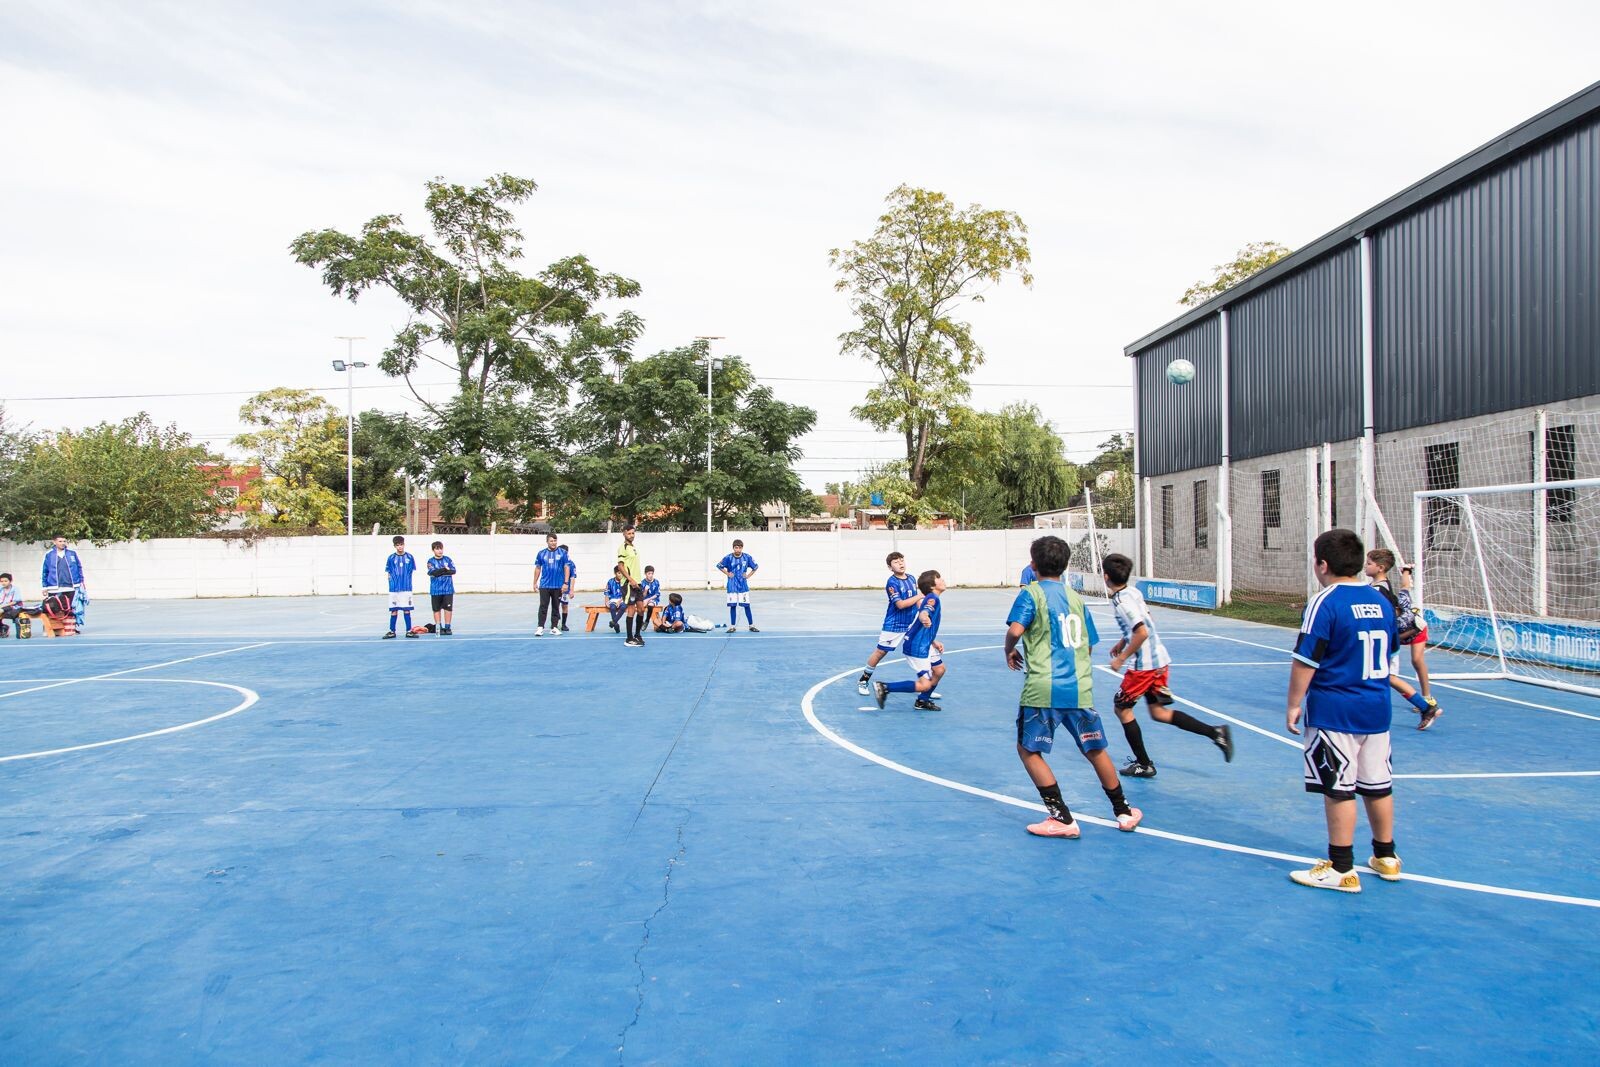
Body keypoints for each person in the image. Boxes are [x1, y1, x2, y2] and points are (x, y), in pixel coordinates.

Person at [1287, 528, 1402, 893]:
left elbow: (1306, 659)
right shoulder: (1382, 601)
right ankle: (1386, 856)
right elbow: (1392, 651)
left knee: (1338, 787)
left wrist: (1293, 704)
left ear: (1322, 564)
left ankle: (1340, 867)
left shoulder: (1326, 602)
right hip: (1377, 707)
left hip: (1335, 709)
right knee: (1377, 785)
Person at [1005, 535, 1142, 838]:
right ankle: (1123, 811)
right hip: (1079, 688)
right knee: (1095, 749)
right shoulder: (1077, 599)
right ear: (1065, 566)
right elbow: (1089, 645)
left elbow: (1015, 629)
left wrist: (1009, 649)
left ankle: (1061, 817)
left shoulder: (1032, 594)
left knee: (1028, 750)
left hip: (1043, 689)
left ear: (1033, 564)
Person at [1101, 552, 1233, 777]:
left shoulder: (1122, 602)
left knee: (1122, 709)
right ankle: (1215, 732)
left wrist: (1121, 658)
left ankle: (1144, 764)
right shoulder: (1133, 592)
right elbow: (1146, 620)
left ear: (1105, 577)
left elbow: (1141, 632)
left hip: (1144, 666)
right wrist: (1123, 641)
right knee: (1159, 712)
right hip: (1160, 660)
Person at [1364, 549, 1442, 730]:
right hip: (1392, 637)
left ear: (1380, 567)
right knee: (1382, 676)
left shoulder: (1379, 592)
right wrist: (1406, 571)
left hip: (1405, 634)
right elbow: (1405, 586)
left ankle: (1427, 703)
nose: (1365, 566)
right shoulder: (1384, 589)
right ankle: (1425, 706)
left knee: (1396, 671)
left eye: (1369, 563)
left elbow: (1386, 618)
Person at [872, 570, 946, 711]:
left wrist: (933, 641)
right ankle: (884, 687)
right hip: (916, 647)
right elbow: (925, 612)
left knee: (939, 670)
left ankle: (922, 701)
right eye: (939, 578)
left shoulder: (933, 597)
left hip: (924, 642)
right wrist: (924, 618)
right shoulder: (932, 599)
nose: (943, 580)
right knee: (925, 685)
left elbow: (923, 625)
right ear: (932, 585)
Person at [857, 552, 924, 695]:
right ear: (890, 567)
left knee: (920, 650)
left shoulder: (912, 578)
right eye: (896, 562)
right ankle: (863, 680)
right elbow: (900, 604)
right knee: (881, 652)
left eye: (902, 560)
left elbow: (916, 599)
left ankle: (926, 686)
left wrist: (922, 612)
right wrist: (920, 596)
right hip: (894, 625)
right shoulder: (892, 583)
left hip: (911, 623)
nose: (900, 563)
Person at [40, 536, 86, 630]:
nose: (62, 543)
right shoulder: (49, 554)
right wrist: (44, 587)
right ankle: (53, 627)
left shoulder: (72, 554)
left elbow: (79, 567)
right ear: (55, 542)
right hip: (54, 587)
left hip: (71, 586)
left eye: (64, 541)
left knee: (70, 607)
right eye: (60, 541)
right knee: (54, 607)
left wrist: (81, 582)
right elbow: (45, 571)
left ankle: (71, 627)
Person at [718, 539, 760, 632]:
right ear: (733, 548)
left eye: (740, 548)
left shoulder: (747, 557)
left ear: (742, 548)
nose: (738, 550)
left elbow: (755, 567)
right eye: (736, 548)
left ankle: (751, 625)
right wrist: (727, 573)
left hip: (743, 586)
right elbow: (719, 565)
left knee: (746, 606)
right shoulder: (728, 557)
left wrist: (748, 575)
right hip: (732, 586)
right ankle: (732, 626)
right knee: (733, 606)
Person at [617, 523, 647, 647]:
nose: (631, 535)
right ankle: (629, 638)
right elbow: (620, 565)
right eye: (629, 533)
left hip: (638, 583)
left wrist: (637, 581)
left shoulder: (633, 547)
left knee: (641, 609)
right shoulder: (623, 547)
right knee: (631, 610)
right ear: (624, 534)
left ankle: (637, 635)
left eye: (633, 533)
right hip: (629, 584)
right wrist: (630, 580)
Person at [384, 535, 418, 639]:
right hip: (394, 589)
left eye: (401, 545)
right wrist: (392, 583)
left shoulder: (410, 557)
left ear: (404, 544)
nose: (400, 547)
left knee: (406, 610)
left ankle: (409, 631)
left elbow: (411, 571)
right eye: (397, 545)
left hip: (406, 588)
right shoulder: (391, 558)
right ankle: (392, 631)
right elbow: (388, 573)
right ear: (395, 546)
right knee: (394, 610)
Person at [534, 533, 568, 637]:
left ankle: (554, 627)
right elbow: (538, 568)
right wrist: (534, 582)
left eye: (555, 541)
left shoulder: (563, 553)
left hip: (557, 585)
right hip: (544, 585)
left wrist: (565, 583)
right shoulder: (541, 553)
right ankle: (540, 627)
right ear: (547, 542)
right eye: (551, 541)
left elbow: (566, 567)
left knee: (556, 607)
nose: (553, 543)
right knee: (543, 606)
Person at [426, 541, 456, 635]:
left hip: (448, 589)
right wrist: (444, 569)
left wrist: (441, 572)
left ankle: (447, 627)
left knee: (448, 609)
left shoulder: (448, 559)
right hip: (435, 590)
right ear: (433, 550)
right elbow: (433, 573)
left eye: (441, 548)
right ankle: (439, 627)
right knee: (436, 609)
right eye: (437, 549)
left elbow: (453, 571)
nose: (440, 551)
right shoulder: (430, 561)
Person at [605, 565, 628, 633]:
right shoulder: (610, 581)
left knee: (623, 606)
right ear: (615, 573)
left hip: (622, 599)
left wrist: (620, 601)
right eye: (619, 573)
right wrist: (606, 601)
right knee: (612, 607)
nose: (620, 575)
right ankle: (616, 625)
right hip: (613, 599)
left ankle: (614, 622)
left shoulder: (625, 582)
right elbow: (606, 592)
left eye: (621, 573)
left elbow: (626, 594)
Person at [559, 548, 576, 633]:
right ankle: (554, 623)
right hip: (556, 587)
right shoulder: (557, 561)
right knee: (555, 605)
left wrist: (571, 590)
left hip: (565, 588)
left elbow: (572, 577)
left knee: (564, 606)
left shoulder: (571, 564)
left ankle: (563, 624)